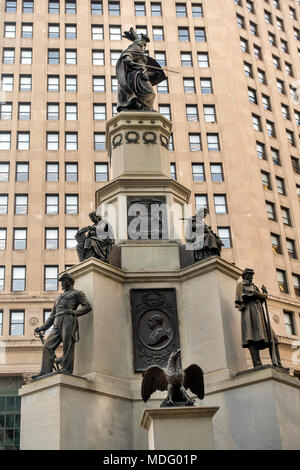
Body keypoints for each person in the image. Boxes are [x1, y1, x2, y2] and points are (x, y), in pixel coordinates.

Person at [31, 273, 92, 379]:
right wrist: (43, 327)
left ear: (70, 281)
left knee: (67, 345)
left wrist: (74, 312)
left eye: (64, 281)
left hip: (68, 319)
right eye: (61, 281)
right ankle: (45, 371)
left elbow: (87, 307)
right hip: (57, 321)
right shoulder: (58, 297)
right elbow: (52, 315)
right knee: (47, 346)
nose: (62, 283)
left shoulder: (77, 293)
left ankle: (66, 370)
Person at [235, 268, 282, 368]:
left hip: (260, 315)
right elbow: (251, 293)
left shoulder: (253, 286)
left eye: (252, 275)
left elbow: (259, 296)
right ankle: (257, 364)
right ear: (245, 275)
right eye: (250, 275)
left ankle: (277, 363)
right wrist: (263, 295)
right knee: (252, 337)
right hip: (251, 314)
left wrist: (264, 294)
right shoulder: (242, 284)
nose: (251, 277)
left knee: (273, 338)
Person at [116, 27, 166, 112]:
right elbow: (127, 54)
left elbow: (143, 68)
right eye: (144, 46)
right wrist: (128, 59)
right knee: (150, 93)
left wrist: (154, 74)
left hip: (141, 75)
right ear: (141, 45)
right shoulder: (136, 48)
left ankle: (143, 107)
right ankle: (145, 108)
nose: (144, 49)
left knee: (148, 94)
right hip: (136, 75)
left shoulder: (139, 51)